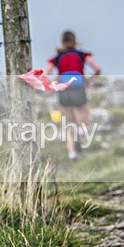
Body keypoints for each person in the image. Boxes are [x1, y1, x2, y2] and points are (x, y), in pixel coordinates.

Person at [44, 30, 102, 161]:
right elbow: (97, 68)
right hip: (78, 87)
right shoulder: (82, 54)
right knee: (84, 114)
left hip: (64, 90)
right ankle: (83, 129)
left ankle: (72, 153)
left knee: (69, 123)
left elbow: (45, 75)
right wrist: (88, 79)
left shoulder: (56, 57)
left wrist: (55, 83)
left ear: (62, 42)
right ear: (75, 40)